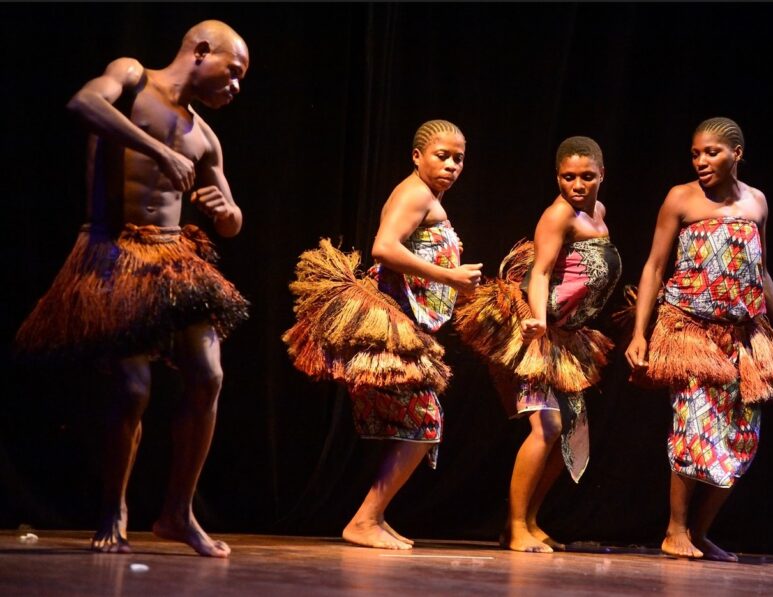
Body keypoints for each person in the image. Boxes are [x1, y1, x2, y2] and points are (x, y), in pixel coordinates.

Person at [15, 20, 251, 557]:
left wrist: (226, 212)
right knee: (132, 388)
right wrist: (158, 151)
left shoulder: (205, 136)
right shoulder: (132, 78)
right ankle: (113, 508)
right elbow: (82, 103)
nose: (236, 86)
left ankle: (177, 513)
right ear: (202, 50)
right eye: (234, 71)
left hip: (173, 257)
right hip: (115, 249)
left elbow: (233, 220)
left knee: (209, 375)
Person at [624, 117, 773, 562]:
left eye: (711, 152)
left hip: (743, 339)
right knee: (692, 427)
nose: (700, 161)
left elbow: (762, 273)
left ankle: (699, 532)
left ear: (737, 153)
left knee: (742, 439)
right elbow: (654, 267)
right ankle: (675, 530)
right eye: (695, 153)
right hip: (690, 329)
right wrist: (639, 333)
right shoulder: (680, 198)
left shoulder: (757, 202)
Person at [283, 119, 482, 550]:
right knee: (425, 420)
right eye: (442, 156)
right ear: (417, 156)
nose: (451, 165)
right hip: (391, 322)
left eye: (458, 158)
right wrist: (450, 276)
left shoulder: (428, 196)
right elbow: (384, 247)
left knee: (415, 421)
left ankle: (374, 517)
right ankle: (364, 520)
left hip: (405, 324)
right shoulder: (415, 193)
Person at [455, 137, 621, 552]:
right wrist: (538, 322)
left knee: (568, 436)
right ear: (557, 177)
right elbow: (542, 273)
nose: (577, 185)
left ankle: (530, 519)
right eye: (568, 177)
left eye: (587, 176)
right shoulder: (557, 215)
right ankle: (515, 526)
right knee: (547, 426)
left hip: (567, 340)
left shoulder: (599, 213)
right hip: (537, 333)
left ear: (602, 175)